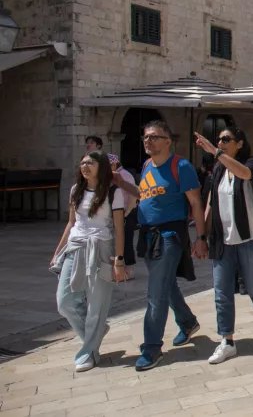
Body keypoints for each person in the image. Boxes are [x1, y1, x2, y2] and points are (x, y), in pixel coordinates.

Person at [112, 120, 204, 372]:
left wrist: (200, 238)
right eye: (145, 137)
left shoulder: (181, 166)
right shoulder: (146, 165)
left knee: (155, 294)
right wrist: (120, 183)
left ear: (168, 141)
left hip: (170, 235)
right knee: (165, 284)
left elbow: (196, 203)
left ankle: (152, 347)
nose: (147, 140)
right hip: (148, 236)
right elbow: (144, 193)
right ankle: (187, 322)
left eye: (153, 136)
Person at [196, 128, 253, 364]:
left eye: (226, 140)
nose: (221, 142)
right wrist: (202, 236)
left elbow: (244, 173)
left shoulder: (252, 163)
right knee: (221, 291)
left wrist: (214, 151)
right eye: (219, 140)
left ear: (239, 144)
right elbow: (210, 200)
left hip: (250, 237)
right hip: (222, 239)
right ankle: (227, 341)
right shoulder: (218, 169)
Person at [51, 151, 127, 371]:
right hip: (75, 247)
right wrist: (58, 251)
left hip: (101, 248)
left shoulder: (114, 192)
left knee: (97, 304)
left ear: (100, 166)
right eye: (82, 162)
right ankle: (94, 336)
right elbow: (71, 223)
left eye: (90, 163)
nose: (84, 166)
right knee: (64, 302)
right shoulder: (76, 190)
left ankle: (88, 353)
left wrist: (119, 260)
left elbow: (119, 228)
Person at [107, 153, 138, 280]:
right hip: (118, 213)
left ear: (113, 164)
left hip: (127, 213)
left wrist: (126, 213)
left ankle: (129, 270)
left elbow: (133, 196)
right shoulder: (112, 176)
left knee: (127, 241)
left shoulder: (124, 175)